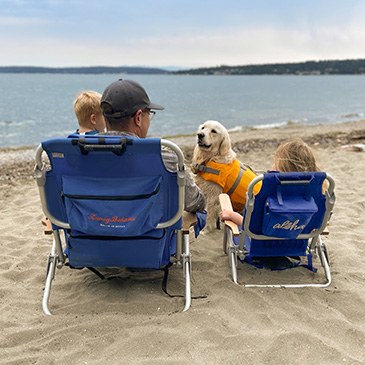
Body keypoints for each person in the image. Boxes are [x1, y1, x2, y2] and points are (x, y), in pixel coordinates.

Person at [100, 79, 206, 213]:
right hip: (148, 233)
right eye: (148, 114)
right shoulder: (164, 158)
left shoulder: (77, 154)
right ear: (138, 118)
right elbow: (195, 203)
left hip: (88, 232)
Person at [219, 138, 327, 226]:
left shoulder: (271, 189)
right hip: (298, 241)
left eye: (275, 162)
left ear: (281, 167)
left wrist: (232, 215)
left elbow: (252, 227)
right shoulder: (314, 188)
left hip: (263, 245)